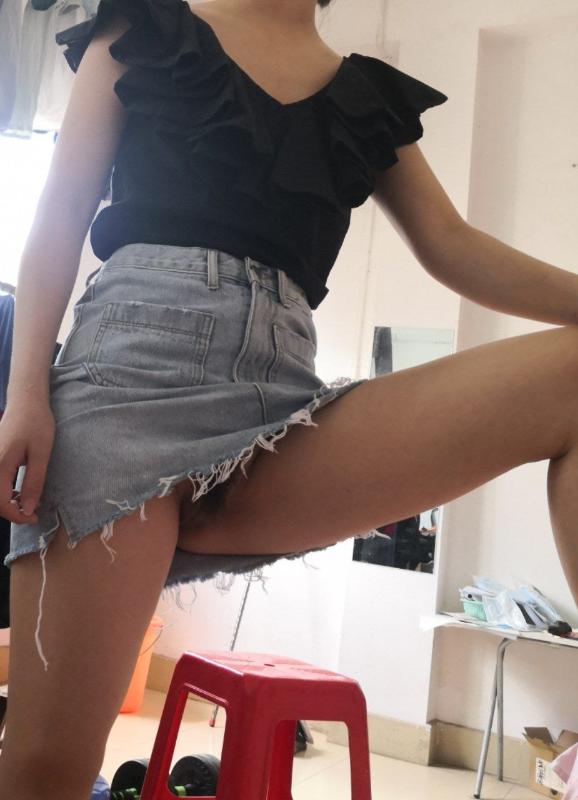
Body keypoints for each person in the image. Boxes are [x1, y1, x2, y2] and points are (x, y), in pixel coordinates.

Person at [1, 1, 578, 798]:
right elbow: (60, 211)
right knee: (47, 770)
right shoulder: (145, 25)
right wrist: (25, 391)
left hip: (279, 416)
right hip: (123, 389)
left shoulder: (363, 96)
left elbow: (453, 246)